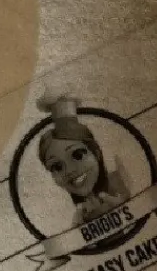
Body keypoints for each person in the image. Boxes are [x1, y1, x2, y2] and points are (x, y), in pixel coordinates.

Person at [35, 94, 131, 226]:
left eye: (78, 154)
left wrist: (128, 211)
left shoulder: (121, 182)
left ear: (95, 152)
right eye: (56, 166)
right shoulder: (75, 216)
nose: (70, 170)